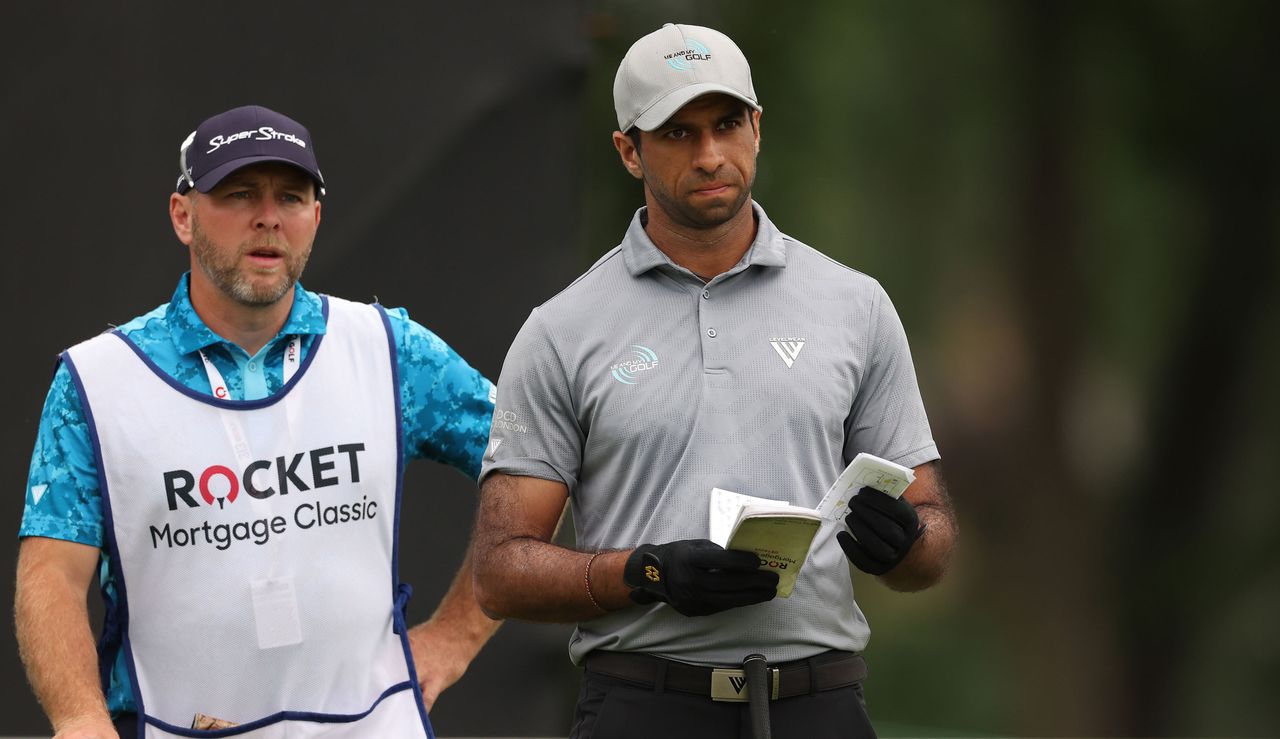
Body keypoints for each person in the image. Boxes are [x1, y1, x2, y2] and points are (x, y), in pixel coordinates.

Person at [471, 23, 958, 738]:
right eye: (676, 133)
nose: (709, 155)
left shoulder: (856, 305)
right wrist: (642, 573)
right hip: (642, 705)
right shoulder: (562, 330)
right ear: (628, 150)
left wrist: (907, 543)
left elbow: (934, 541)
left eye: (727, 124)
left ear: (757, 129)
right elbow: (499, 569)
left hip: (819, 705)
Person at [15, 105, 499, 739]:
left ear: (315, 218)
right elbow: (50, 572)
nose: (269, 216)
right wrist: (79, 717)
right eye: (239, 194)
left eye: (291, 197)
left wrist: (457, 635)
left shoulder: (389, 348)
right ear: (182, 215)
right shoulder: (98, 380)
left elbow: (530, 467)